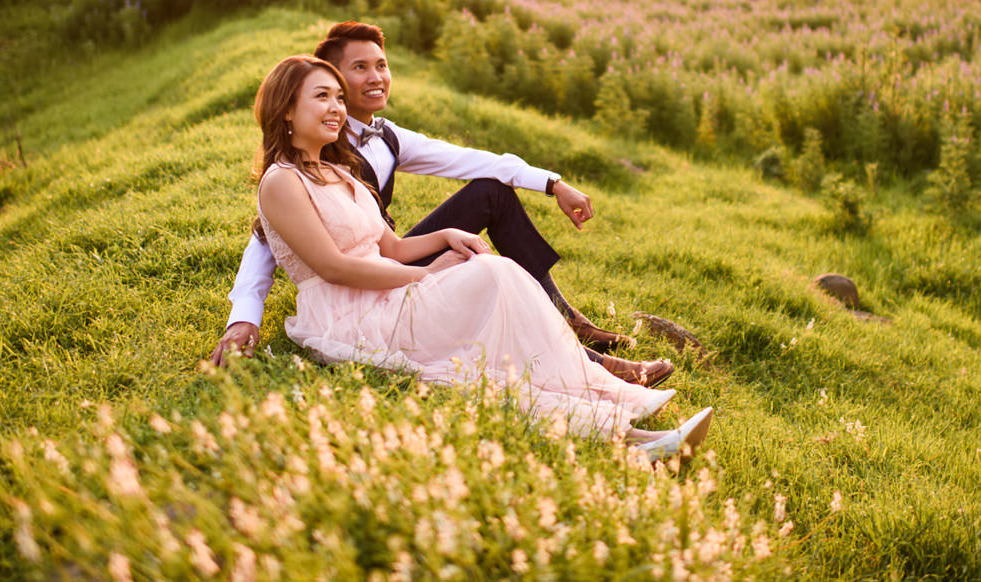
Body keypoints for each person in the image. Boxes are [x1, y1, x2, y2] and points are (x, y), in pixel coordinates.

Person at [241, 54, 712, 456]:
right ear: (286, 111)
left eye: (338, 98)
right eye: (322, 97)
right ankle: (627, 433)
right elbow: (333, 267)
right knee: (492, 288)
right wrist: (424, 280)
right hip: (348, 314)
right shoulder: (282, 181)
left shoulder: (337, 171)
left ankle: (613, 405)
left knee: (495, 275)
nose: (338, 108)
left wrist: (446, 234)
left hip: (384, 290)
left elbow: (394, 248)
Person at [212, 21, 673, 388]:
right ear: (322, 81)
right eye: (357, 69)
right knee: (487, 276)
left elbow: (472, 160)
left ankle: (566, 319)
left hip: (388, 251)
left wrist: (552, 183)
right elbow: (268, 238)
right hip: (360, 280)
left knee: (491, 189)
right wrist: (243, 317)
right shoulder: (305, 157)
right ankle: (588, 362)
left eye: (381, 65)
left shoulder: (387, 136)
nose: (374, 77)